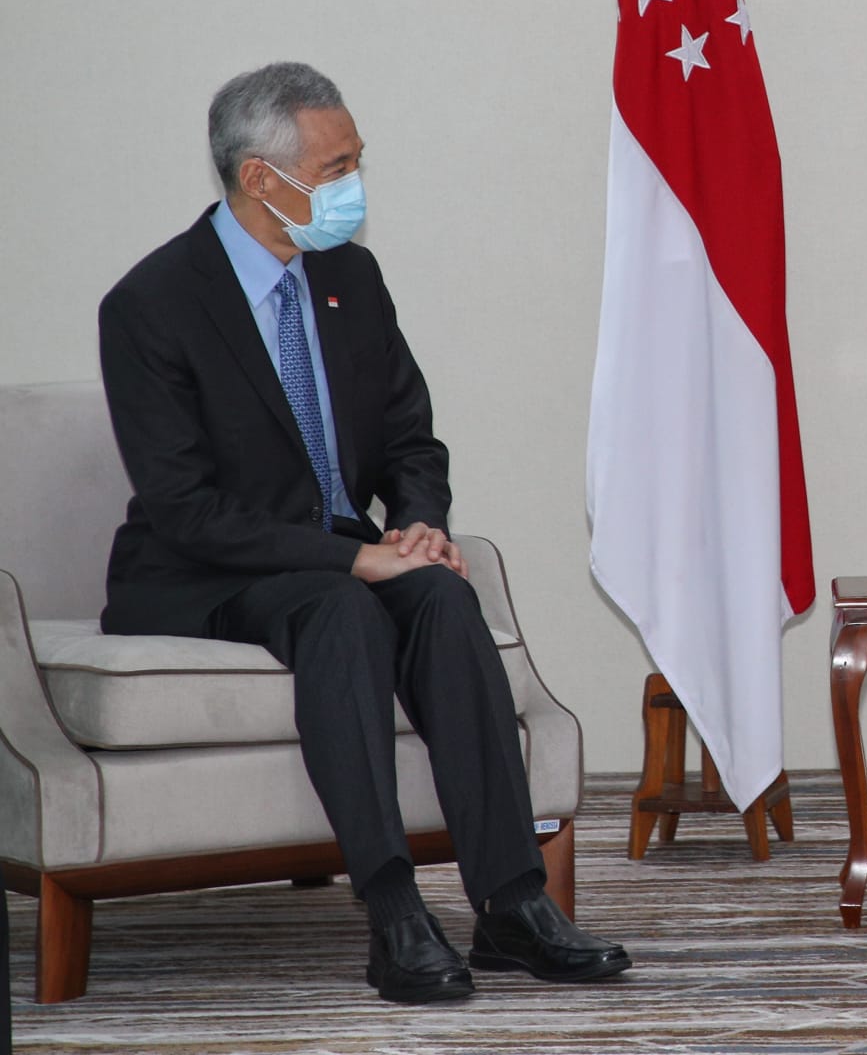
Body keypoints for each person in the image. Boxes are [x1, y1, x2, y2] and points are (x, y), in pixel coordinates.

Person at [97, 62, 632, 1005]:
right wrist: (355, 555)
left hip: (337, 551)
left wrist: (419, 528)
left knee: (441, 594)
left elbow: (408, 436)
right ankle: (394, 914)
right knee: (343, 608)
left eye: (356, 161)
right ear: (263, 179)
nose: (353, 183)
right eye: (335, 165)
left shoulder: (349, 273)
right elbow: (186, 509)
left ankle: (512, 902)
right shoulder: (152, 304)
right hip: (200, 570)